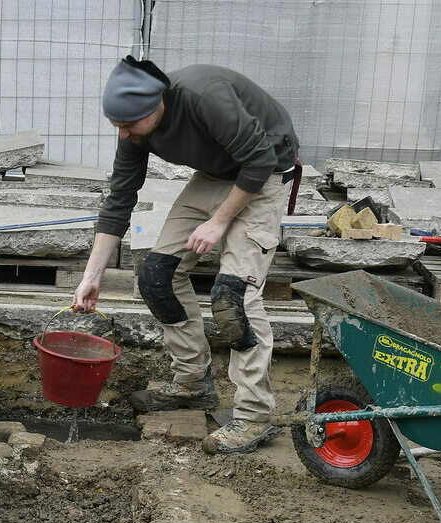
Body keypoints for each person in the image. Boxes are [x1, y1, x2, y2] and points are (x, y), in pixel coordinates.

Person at [73, 56, 299, 454]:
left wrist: (219, 222)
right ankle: (193, 383)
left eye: (129, 125)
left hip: (264, 173)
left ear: (157, 104)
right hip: (216, 176)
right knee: (158, 277)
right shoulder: (133, 131)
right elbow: (119, 199)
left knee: (234, 297)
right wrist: (93, 275)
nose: (123, 135)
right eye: (117, 127)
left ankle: (253, 416)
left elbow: (260, 160)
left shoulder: (203, 97)